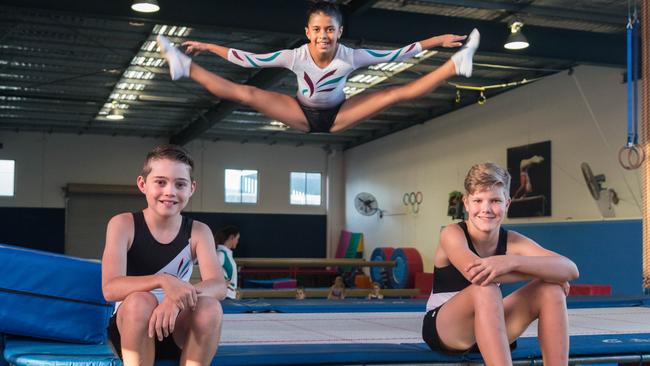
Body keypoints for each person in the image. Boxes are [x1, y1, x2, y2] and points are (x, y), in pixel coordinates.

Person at [156, 1, 479, 134]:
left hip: (340, 114)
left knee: (395, 93)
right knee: (246, 93)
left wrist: (438, 41)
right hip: (300, 112)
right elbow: (248, 59)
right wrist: (207, 47)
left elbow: (398, 55)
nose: (323, 35)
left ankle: (455, 65)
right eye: (317, 30)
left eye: (330, 29)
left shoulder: (351, 56)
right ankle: (185, 66)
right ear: (307, 32)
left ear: (340, 32)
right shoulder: (295, 56)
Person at [422, 162, 578, 365]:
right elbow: (476, 274)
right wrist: (542, 271)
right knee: (485, 288)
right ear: (466, 203)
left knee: (551, 289)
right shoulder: (452, 234)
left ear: (507, 204)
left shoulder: (513, 241)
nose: (486, 209)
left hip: (491, 327)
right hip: (448, 328)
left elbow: (570, 269)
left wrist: (511, 261)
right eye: (478, 200)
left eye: (495, 200)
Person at [101, 144, 227, 366]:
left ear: (191, 189)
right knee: (141, 300)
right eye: (160, 182)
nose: (170, 191)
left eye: (180, 184)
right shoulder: (123, 224)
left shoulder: (198, 231)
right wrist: (163, 280)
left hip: (177, 327)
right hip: (133, 325)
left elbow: (218, 286)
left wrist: (177, 299)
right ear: (143, 184)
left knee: (210, 308)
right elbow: (110, 289)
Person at [215, 225, 240, 300]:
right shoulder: (221, 254)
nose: (237, 242)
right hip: (225, 297)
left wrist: (234, 292)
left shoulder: (226, 254)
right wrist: (222, 282)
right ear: (232, 237)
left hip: (230, 295)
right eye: (237, 239)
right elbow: (211, 273)